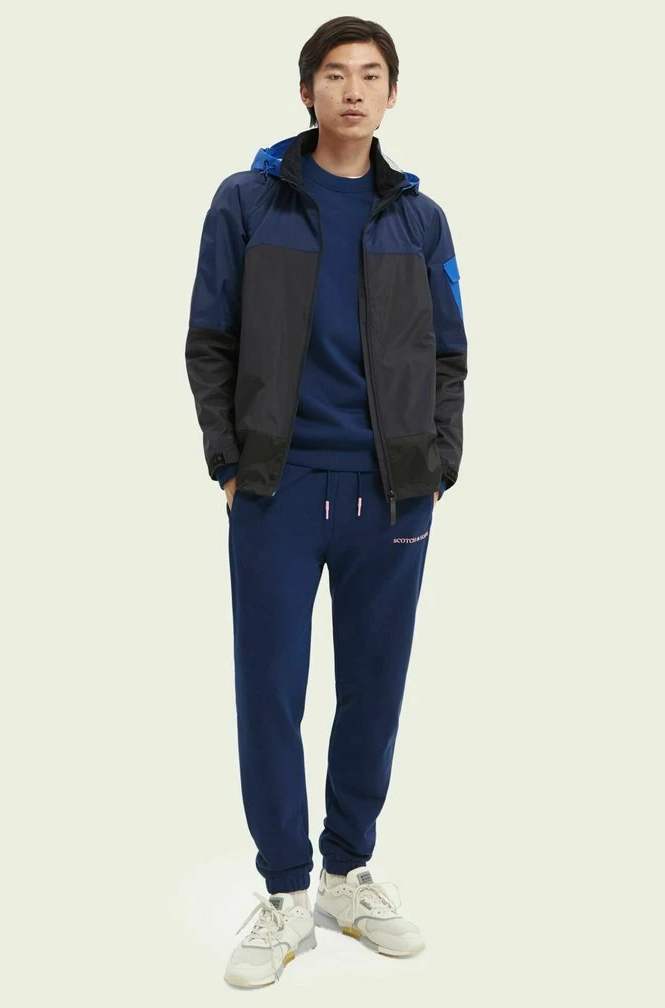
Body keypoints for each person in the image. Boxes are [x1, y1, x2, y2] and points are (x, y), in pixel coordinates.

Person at [185, 15, 468, 988]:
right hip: (278, 486)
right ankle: (283, 895)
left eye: (371, 75)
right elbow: (210, 339)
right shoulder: (248, 202)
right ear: (306, 90)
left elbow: (448, 354)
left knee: (375, 693)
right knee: (269, 692)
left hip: (392, 495)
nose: (353, 90)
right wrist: (229, 464)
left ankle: (347, 876)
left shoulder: (419, 221)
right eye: (336, 74)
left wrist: (438, 465)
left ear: (392, 94)